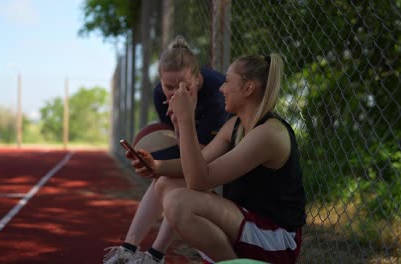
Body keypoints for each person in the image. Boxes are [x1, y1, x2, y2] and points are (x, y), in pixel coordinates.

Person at [129, 54, 306, 263]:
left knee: (179, 203)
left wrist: (186, 119)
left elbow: (199, 180)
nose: (221, 88)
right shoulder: (235, 125)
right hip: (246, 223)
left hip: (276, 239)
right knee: (166, 183)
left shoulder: (269, 134)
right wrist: (156, 166)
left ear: (248, 88)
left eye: (228, 81)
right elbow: (199, 162)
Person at [104, 36, 229, 264]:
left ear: (198, 78)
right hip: (192, 152)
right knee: (162, 179)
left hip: (224, 160)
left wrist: (184, 119)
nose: (175, 93)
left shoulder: (217, 97)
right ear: (160, 82)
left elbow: (199, 161)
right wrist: (154, 159)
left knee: (178, 181)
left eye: (184, 86)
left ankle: (154, 254)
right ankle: (129, 249)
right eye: (168, 87)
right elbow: (179, 146)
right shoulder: (159, 94)